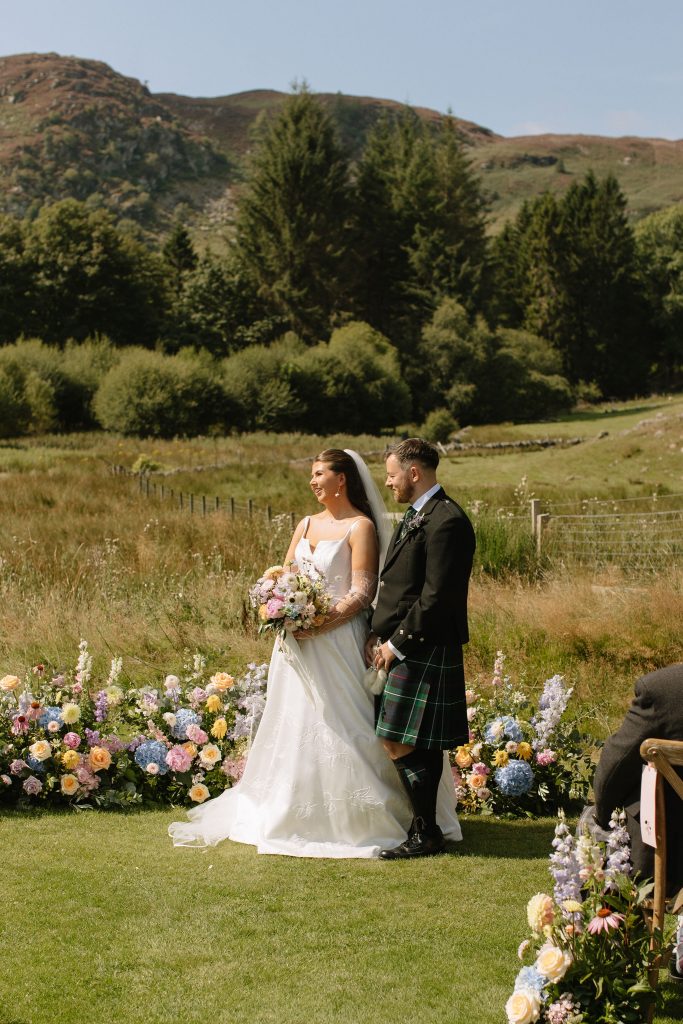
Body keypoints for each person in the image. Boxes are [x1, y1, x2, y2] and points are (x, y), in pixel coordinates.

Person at [169, 448, 462, 858]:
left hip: (337, 642)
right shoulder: (305, 523)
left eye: (320, 473)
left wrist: (318, 624)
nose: (312, 481)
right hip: (295, 648)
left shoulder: (361, 526)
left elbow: (362, 591)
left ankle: (396, 818)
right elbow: (284, 575)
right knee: (292, 723)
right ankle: (289, 811)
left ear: (341, 479)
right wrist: (278, 606)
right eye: (312, 474)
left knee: (350, 726)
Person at [366, 438, 476, 859]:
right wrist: (377, 631)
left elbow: (436, 598)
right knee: (414, 741)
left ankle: (426, 831)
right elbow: (400, 586)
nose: (389, 483)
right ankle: (426, 831)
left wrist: (395, 645)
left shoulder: (446, 520)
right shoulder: (417, 516)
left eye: (393, 475)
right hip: (405, 642)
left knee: (399, 739)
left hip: (423, 644)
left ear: (414, 473)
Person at [587, 663, 683, 983]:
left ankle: (614, 965)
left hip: (669, 860)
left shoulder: (665, 690)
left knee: (602, 827)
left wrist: (601, 817)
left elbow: (612, 769)